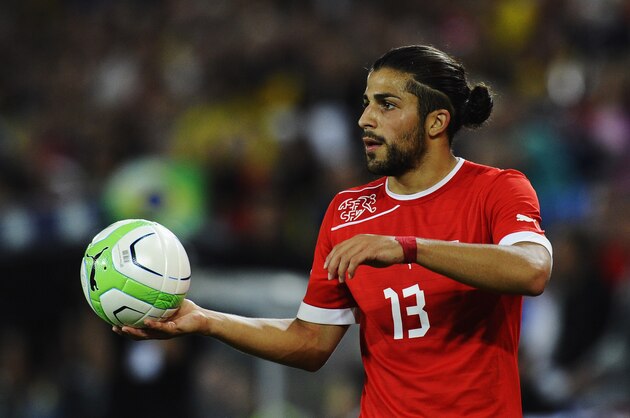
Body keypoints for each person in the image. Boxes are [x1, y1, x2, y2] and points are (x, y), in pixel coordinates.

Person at [115, 45, 553, 417]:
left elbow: (532, 270)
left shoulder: (497, 189)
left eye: (387, 105)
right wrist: (207, 320)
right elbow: (311, 343)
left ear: (437, 122)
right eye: (366, 103)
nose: (365, 118)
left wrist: (408, 248)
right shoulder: (347, 212)